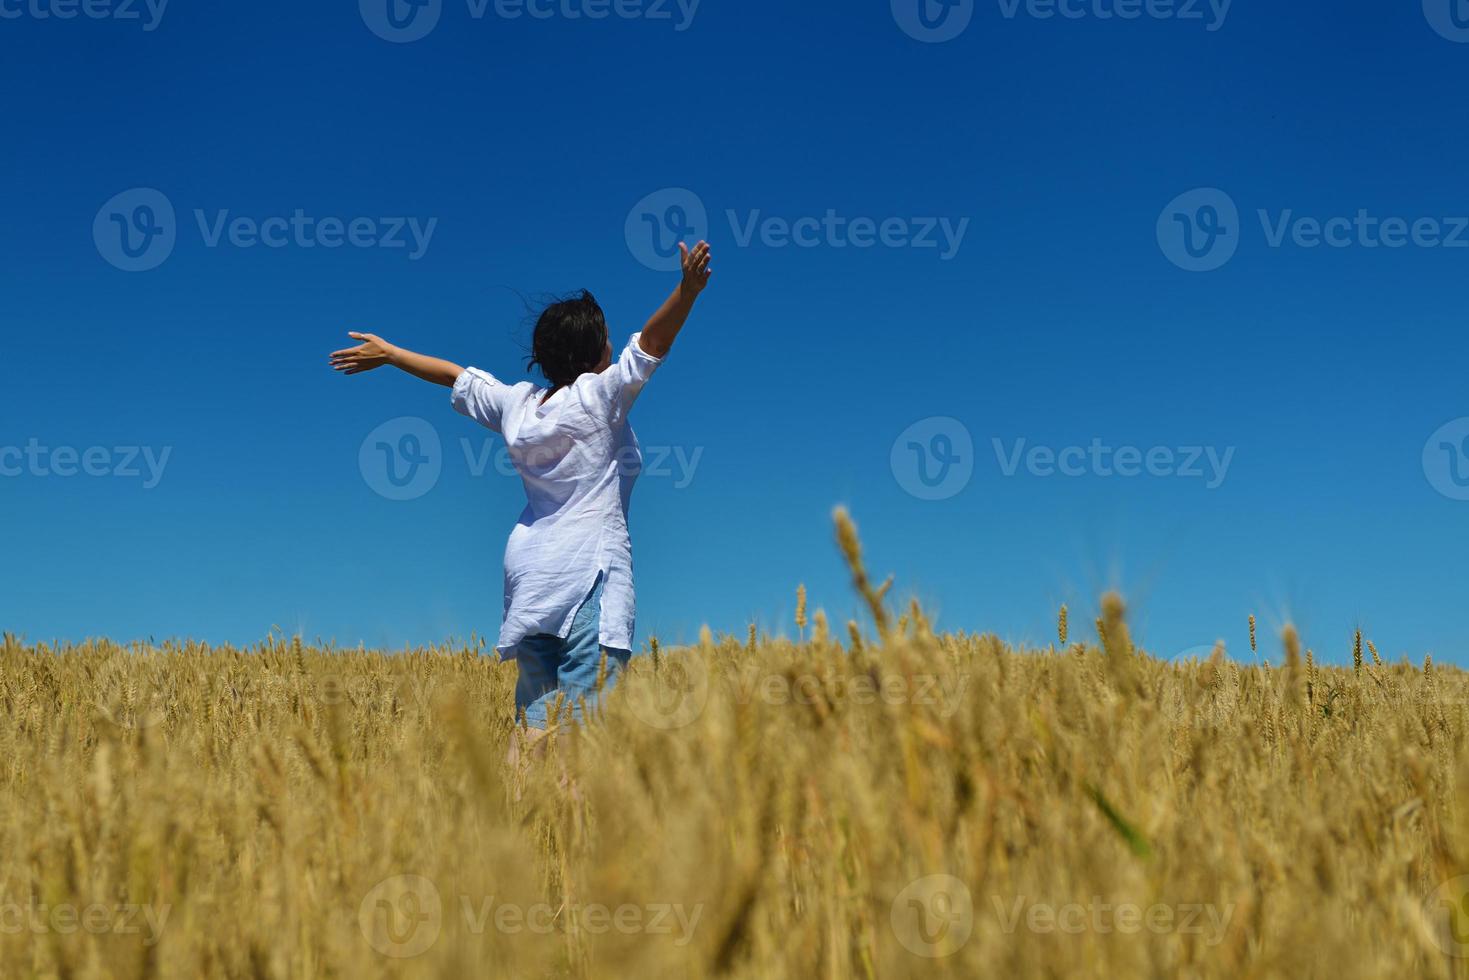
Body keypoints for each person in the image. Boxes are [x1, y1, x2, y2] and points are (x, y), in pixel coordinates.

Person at [330, 241, 713, 734]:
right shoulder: (599, 395)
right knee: (586, 732)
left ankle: (515, 809)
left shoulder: (519, 404)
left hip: (530, 582)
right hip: (587, 576)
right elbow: (651, 346)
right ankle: (572, 811)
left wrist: (391, 354)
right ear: (595, 353)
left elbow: (454, 376)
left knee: (534, 727)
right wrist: (687, 291)